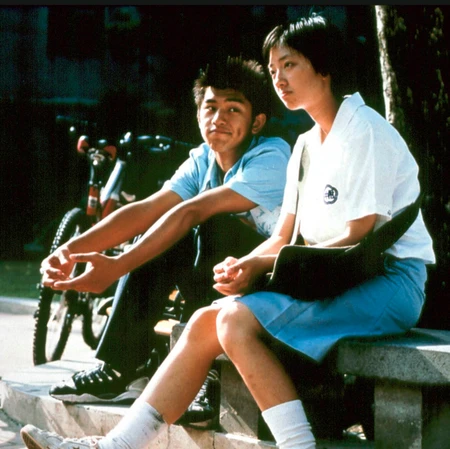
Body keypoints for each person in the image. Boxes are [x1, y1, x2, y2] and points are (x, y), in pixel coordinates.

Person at [21, 13, 435, 449]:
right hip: (332, 276)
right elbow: (284, 236)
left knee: (233, 320)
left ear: (324, 67)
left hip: (387, 281)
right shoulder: (306, 145)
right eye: (273, 69)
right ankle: (113, 446)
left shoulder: (364, 131)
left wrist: (265, 267)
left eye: (289, 65)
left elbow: (358, 237)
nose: (279, 79)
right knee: (207, 319)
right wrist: (248, 264)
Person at [39, 56, 291, 415]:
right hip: (229, 278)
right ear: (198, 114)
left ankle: (208, 375)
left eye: (233, 109)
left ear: (257, 122)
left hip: (276, 279)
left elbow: (192, 212)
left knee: (208, 225)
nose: (219, 118)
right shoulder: (203, 159)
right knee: (165, 229)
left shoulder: (271, 155)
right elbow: (148, 209)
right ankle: (119, 367)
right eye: (210, 107)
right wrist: (67, 251)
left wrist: (116, 267)